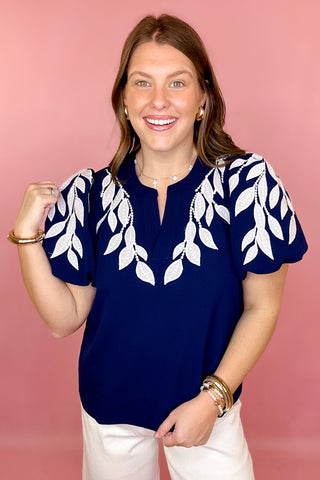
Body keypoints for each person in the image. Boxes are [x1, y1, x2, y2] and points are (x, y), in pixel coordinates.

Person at [8, 14, 307, 480]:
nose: (159, 100)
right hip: (109, 412)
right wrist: (27, 237)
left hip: (210, 410)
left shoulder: (249, 186)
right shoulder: (88, 194)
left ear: (203, 98)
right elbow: (62, 318)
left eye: (178, 82)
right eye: (142, 82)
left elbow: (262, 307)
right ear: (124, 99)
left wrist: (212, 400)